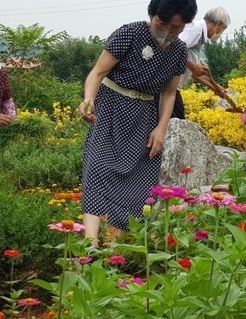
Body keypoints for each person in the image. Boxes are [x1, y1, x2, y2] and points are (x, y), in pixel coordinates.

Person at [78, 0, 197, 246]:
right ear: (152, 16)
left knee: (136, 179)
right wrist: (89, 99)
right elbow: (98, 73)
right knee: (98, 169)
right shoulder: (129, 34)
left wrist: (161, 128)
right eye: (162, 24)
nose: (167, 31)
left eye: (176, 27)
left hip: (145, 116)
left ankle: (113, 250)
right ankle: (89, 246)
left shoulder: (179, 51)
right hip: (110, 108)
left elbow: (168, 93)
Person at [165, 7, 230, 119]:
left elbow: (195, 74)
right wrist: (192, 65)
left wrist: (215, 87)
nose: (220, 34)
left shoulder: (200, 38)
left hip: (173, 89)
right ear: (219, 24)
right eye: (223, 29)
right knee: (177, 125)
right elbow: (172, 47)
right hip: (168, 88)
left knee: (177, 124)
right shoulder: (196, 30)